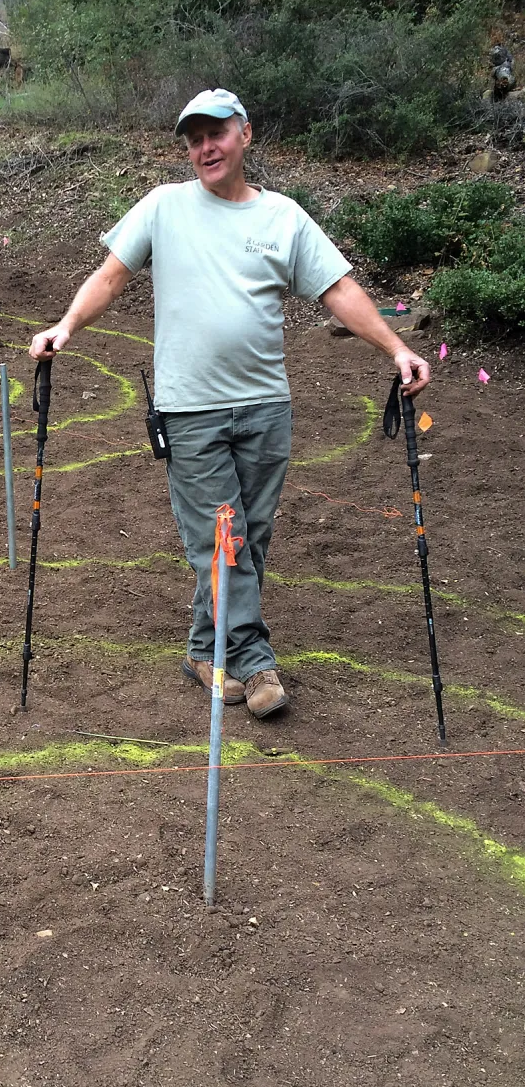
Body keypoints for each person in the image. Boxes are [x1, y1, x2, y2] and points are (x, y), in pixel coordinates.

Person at [28, 87, 430, 718]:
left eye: (215, 134)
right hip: (191, 412)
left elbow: (339, 290)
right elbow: (111, 275)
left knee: (251, 538)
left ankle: (202, 648)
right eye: (194, 140)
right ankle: (253, 660)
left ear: (245, 133)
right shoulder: (163, 207)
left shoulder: (284, 218)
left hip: (266, 408)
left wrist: (396, 348)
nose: (205, 148)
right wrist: (66, 325)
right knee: (224, 540)